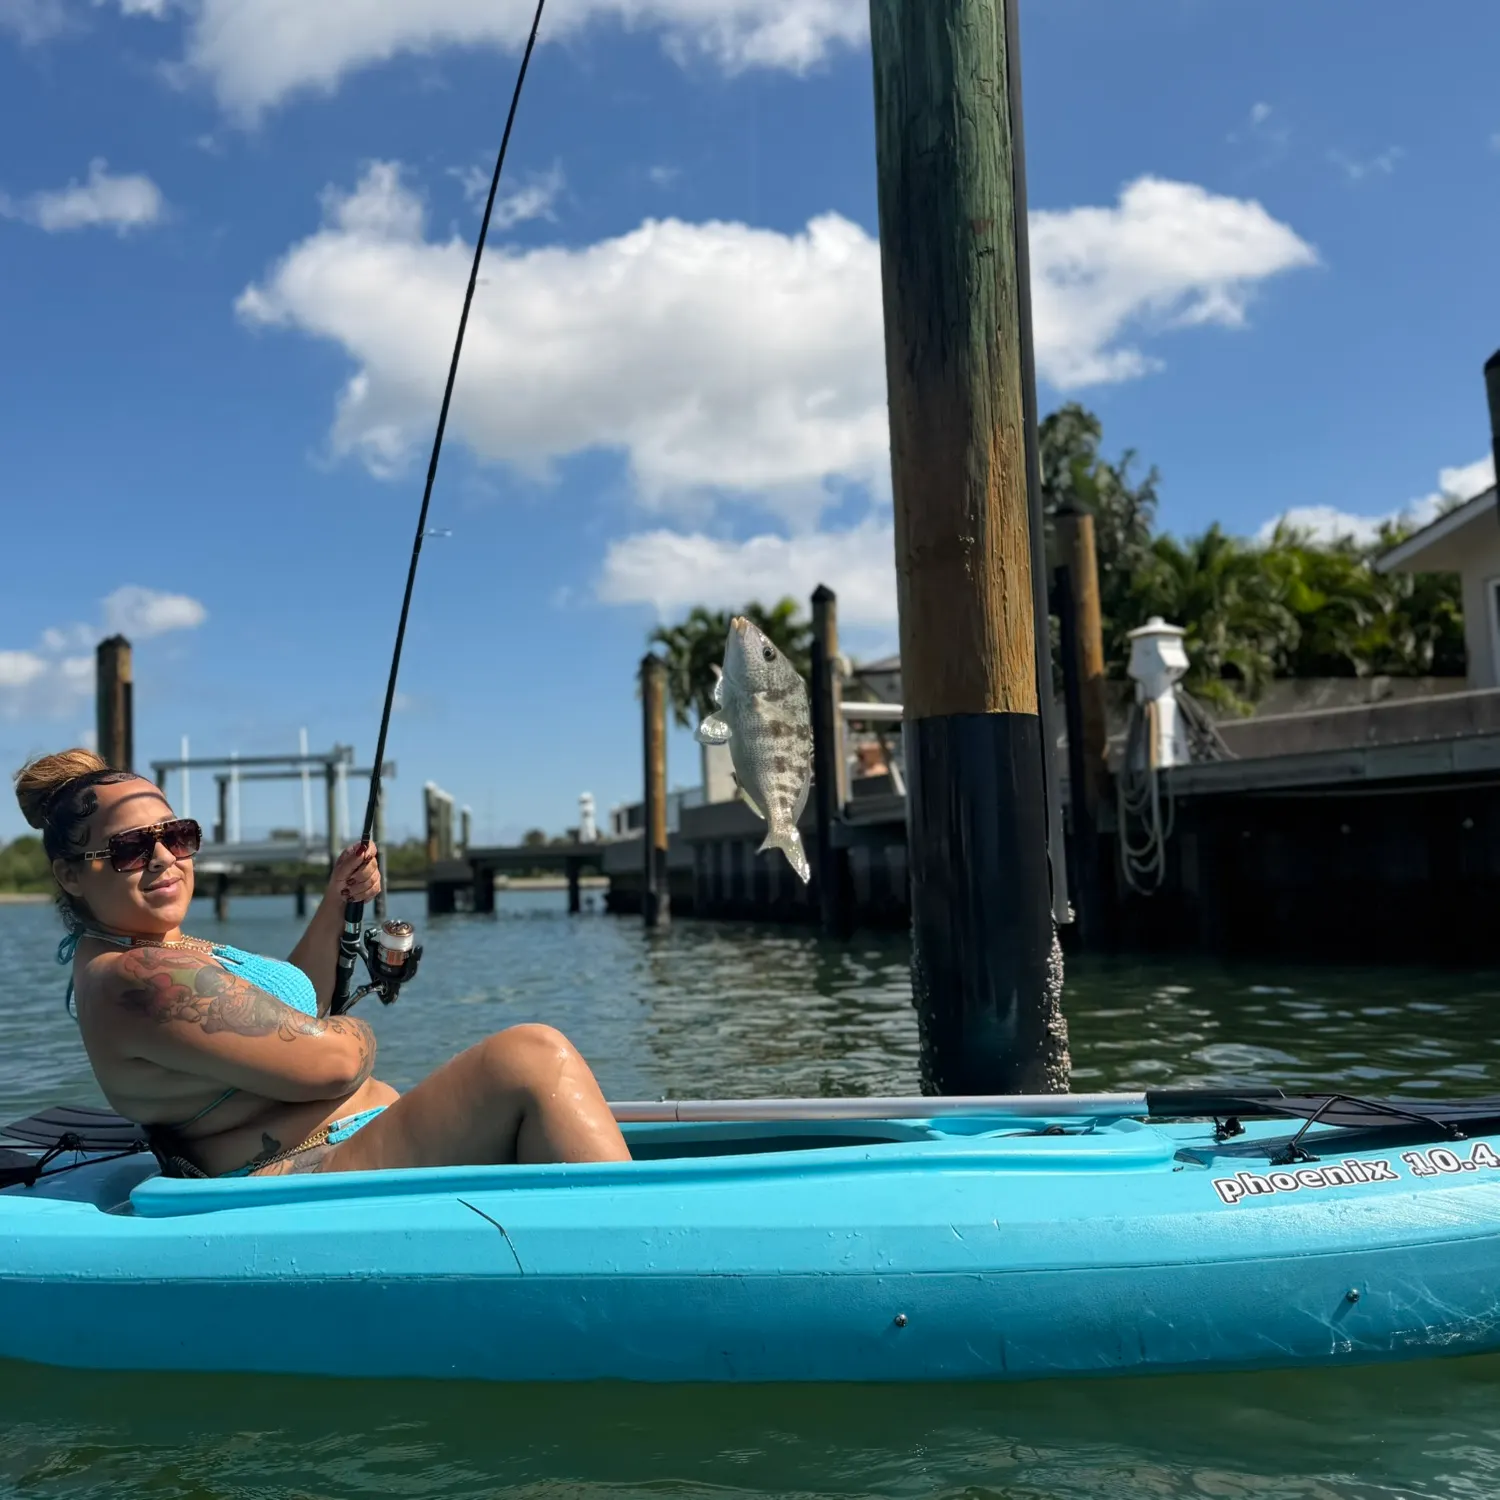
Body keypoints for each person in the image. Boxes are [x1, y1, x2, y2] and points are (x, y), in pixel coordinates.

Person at [14, 749, 631, 1179]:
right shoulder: (137, 980)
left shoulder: (154, 950)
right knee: (530, 1058)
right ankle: (638, 1258)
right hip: (300, 1177)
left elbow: (291, 1007)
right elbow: (334, 1063)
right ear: (70, 874)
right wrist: (351, 1033)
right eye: (127, 847)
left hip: (342, 1151)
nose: (162, 858)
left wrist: (337, 900)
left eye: (177, 836)